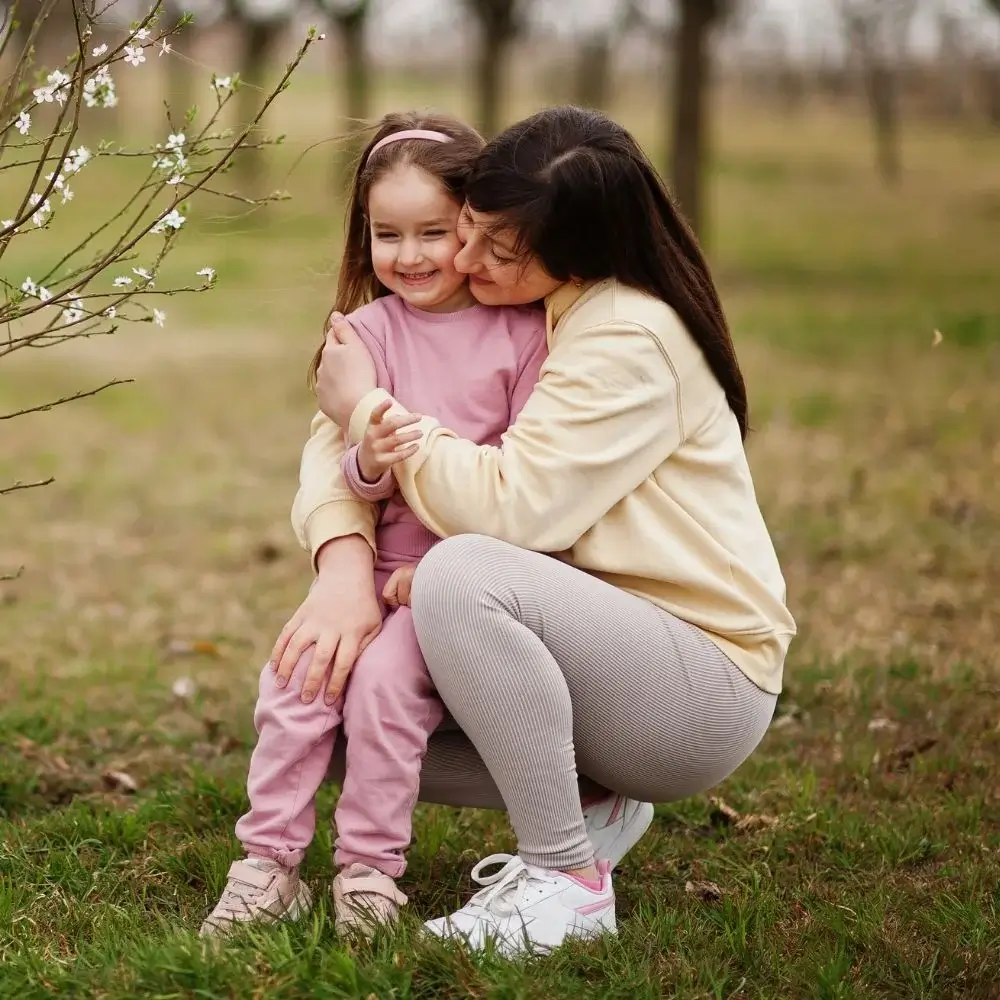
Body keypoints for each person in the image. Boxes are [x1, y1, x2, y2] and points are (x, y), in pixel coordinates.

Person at [282, 105, 796, 956]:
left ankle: (565, 882)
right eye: (473, 231)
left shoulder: (627, 338)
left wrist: (370, 406)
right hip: (595, 641)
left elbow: (513, 510)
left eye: (499, 248)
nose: (466, 260)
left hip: (695, 685)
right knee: (328, 704)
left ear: (580, 250)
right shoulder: (536, 309)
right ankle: (594, 803)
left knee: (463, 573)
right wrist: (343, 565)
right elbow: (328, 443)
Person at [201, 111, 553, 938]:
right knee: (297, 681)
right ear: (364, 235)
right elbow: (352, 475)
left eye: (435, 231)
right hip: (373, 568)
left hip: (457, 581)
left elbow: (527, 477)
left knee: (388, 691)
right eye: (387, 233)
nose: (412, 254)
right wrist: (373, 458)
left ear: (472, 224)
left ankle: (366, 872)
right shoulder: (361, 334)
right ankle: (267, 865)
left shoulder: (520, 335)